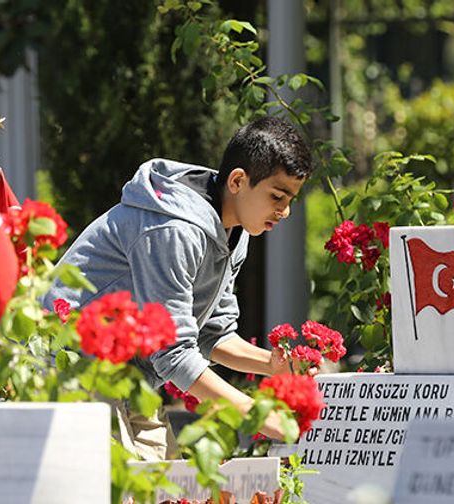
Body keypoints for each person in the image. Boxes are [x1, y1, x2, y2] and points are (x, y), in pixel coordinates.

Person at [44, 116, 313, 460]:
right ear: (237, 181)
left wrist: (272, 364)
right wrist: (254, 412)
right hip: (70, 366)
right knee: (117, 483)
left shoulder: (235, 231)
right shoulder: (174, 230)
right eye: (277, 196)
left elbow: (212, 333)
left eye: (291, 200)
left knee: (166, 483)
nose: (285, 211)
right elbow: (173, 352)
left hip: (130, 379)